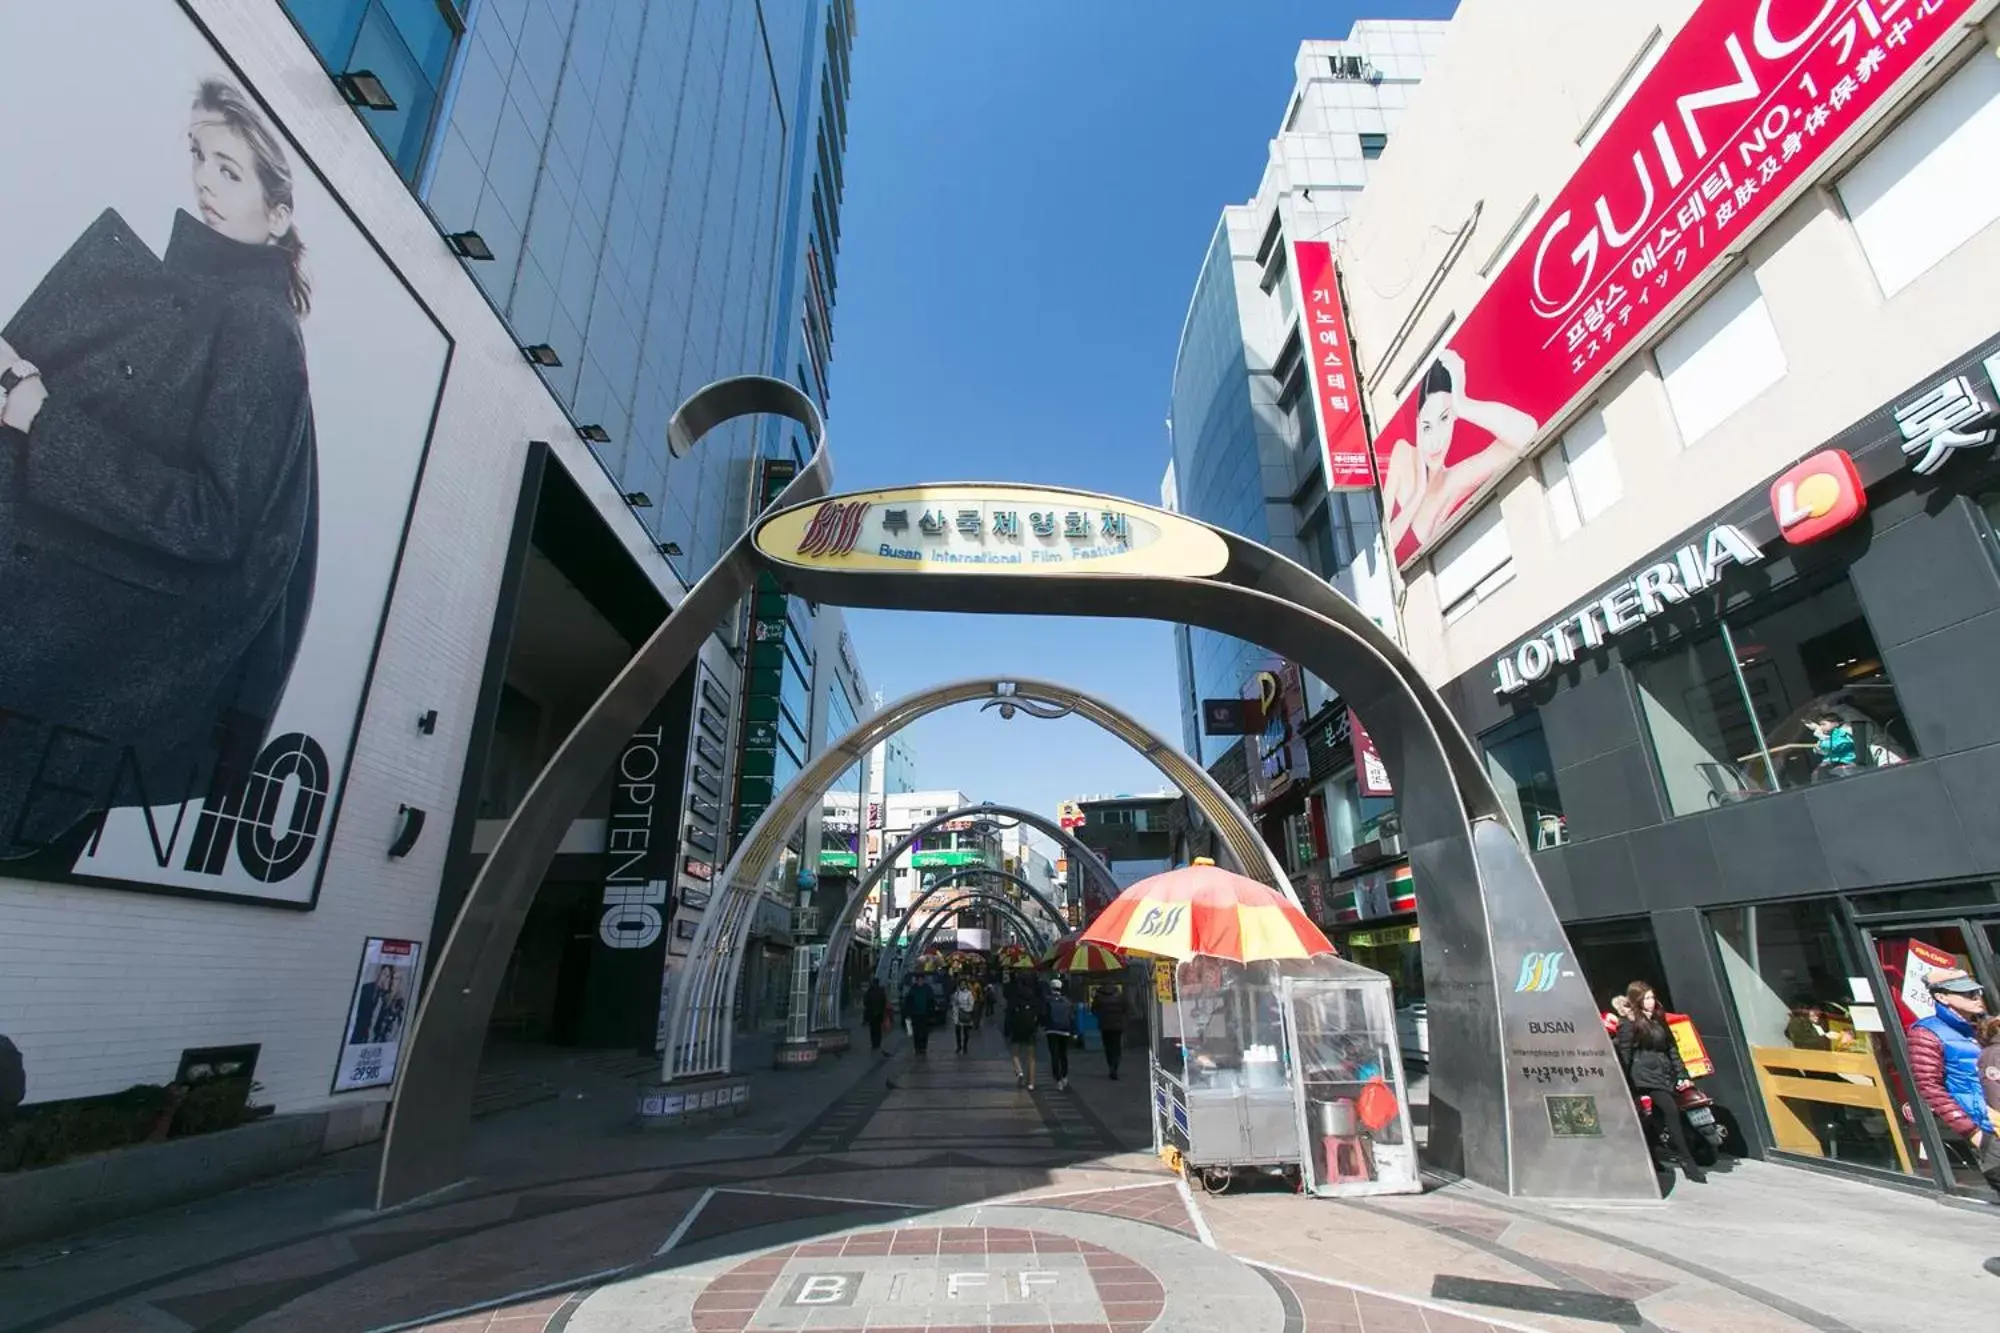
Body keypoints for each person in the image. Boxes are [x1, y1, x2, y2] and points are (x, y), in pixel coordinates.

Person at [0, 77, 319, 862]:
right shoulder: (202, 304)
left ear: (278, 216)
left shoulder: (258, 328)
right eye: (200, 157)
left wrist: (43, 417)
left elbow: (210, 516)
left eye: (231, 171)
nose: (205, 181)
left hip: (64, 696)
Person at [1378, 347, 1539, 559]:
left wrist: (1464, 405)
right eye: (1427, 427)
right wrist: (1418, 493)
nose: (1435, 440)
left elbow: (1527, 431)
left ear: (1454, 418)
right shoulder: (1402, 453)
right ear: (1418, 426)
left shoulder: (1454, 481)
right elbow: (1383, 545)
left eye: (1444, 419)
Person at [1906, 970, 1998, 1196]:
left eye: (1975, 991)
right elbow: (1930, 1087)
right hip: (1986, 1129)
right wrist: (1972, 1132)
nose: (1976, 997)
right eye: (1965, 993)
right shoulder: (1927, 1032)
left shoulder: (1987, 1027)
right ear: (1942, 998)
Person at [1614, 981, 1706, 1184]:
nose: (1651, 1002)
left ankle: (1651, 1156)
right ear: (1637, 1000)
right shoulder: (1629, 1023)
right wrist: (1625, 1082)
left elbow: (1672, 1048)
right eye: (1646, 998)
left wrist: (1681, 1073)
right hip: (1644, 1076)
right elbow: (1625, 1053)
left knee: (1655, 1120)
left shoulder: (1658, 1019)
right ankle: (1688, 1162)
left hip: (1663, 1073)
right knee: (1671, 1111)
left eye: (1652, 997)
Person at [1004, 976, 1044, 1089]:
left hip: (1017, 1029)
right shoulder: (1035, 999)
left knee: (1015, 1054)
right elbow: (1040, 1014)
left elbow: (1009, 1015)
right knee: (1031, 1057)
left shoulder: (1015, 998)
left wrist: (1009, 1029)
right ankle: (1031, 1083)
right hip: (1030, 1030)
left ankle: (1019, 1072)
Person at [1045, 978, 1080, 1092]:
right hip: (1065, 1031)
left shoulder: (1047, 1001)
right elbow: (1072, 1018)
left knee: (1054, 1055)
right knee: (1063, 1054)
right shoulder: (1067, 1002)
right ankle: (1064, 1076)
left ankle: (1058, 1078)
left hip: (1051, 1030)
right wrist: (1074, 1032)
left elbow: (1043, 1015)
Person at [350, 965, 397, 1045]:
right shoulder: (366, 989)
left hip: (371, 1039)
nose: (384, 978)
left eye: (388, 977)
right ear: (379, 973)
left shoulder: (384, 998)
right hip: (357, 1034)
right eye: (384, 974)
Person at [1092, 982, 1130, 1080]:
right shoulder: (1120, 996)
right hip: (1118, 1025)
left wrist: (1101, 1016)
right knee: (1117, 1046)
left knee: (1108, 1046)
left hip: (1105, 1025)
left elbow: (1093, 1010)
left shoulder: (1099, 996)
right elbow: (1127, 1008)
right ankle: (1115, 1066)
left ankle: (1111, 1066)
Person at [1808, 713, 1858, 778]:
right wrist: (1817, 749)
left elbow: (1839, 744)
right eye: (1820, 725)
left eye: (1824, 724)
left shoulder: (1841, 733)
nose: (1821, 727)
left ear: (1836, 723)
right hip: (1830, 762)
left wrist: (1823, 743)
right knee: (1817, 773)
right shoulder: (1825, 736)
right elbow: (1821, 748)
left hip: (1845, 761)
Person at [903, 975, 936, 1056]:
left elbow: (931, 1000)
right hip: (915, 1014)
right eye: (918, 980)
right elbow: (908, 1001)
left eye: (921, 980)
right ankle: (917, 1047)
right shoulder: (913, 989)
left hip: (925, 1014)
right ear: (916, 981)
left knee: (925, 1031)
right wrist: (908, 1012)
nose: (920, 982)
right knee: (916, 1032)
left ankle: (923, 1047)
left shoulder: (927, 989)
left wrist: (931, 1011)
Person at [863, 978, 888, 1054]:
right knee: (878, 1029)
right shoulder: (881, 991)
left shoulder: (870, 991)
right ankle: (878, 1043)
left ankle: (874, 1043)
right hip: (879, 1013)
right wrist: (881, 1009)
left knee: (873, 1029)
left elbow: (865, 1001)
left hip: (872, 1014)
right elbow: (884, 1001)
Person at [952, 978, 977, 1054]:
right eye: (961, 984)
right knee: (958, 1032)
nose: (962, 985)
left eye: (964, 984)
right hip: (958, 1015)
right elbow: (954, 1003)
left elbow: (971, 1004)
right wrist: (955, 1012)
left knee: (966, 1033)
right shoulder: (957, 993)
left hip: (965, 1015)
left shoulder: (969, 994)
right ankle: (959, 1046)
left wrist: (966, 1009)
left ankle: (965, 1046)